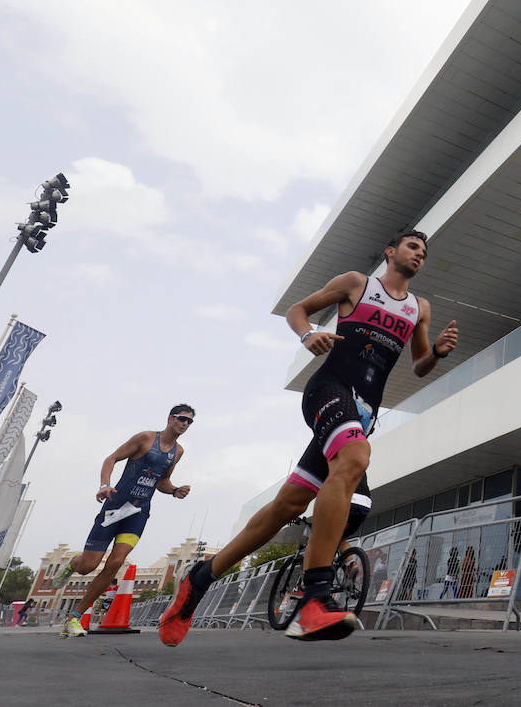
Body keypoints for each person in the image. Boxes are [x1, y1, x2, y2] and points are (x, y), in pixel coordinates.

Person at [160, 229, 457, 645]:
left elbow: (420, 364)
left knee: (290, 504)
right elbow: (298, 310)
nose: (419, 254)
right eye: (412, 247)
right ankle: (314, 598)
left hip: (364, 410)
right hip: (329, 388)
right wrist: (307, 334)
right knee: (354, 459)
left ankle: (201, 577)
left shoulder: (420, 308)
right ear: (391, 252)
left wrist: (438, 352)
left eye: (424, 252)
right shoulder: (358, 283)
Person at [52, 405, 193, 638]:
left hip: (138, 513)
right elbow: (112, 458)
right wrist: (104, 485)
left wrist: (175, 490)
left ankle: (73, 618)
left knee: (115, 563)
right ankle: (74, 563)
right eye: (181, 419)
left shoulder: (178, 452)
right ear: (170, 418)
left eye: (189, 422)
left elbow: (162, 481)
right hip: (115, 507)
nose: (185, 424)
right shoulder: (146, 439)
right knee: (88, 566)